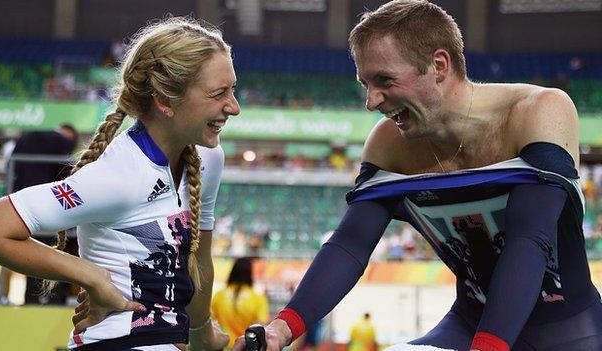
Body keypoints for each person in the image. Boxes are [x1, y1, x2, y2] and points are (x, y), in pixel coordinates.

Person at [231, 1, 602, 351]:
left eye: (384, 80)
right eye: (366, 85)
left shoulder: (540, 110)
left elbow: (529, 240)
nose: (371, 101)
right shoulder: (388, 143)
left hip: (567, 330)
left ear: (439, 66)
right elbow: (350, 245)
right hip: (468, 324)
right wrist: (282, 327)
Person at [0, 16, 240, 350]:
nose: (234, 107)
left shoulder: (208, 159)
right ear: (165, 101)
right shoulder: (119, 176)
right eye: (219, 93)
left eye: (233, 89)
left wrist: (202, 332)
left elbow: (198, 259)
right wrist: (88, 275)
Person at [0, 124, 79, 305]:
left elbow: (13, 172)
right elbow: (66, 177)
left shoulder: (27, 137)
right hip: (53, 212)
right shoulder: (62, 144)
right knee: (59, 264)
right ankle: (55, 301)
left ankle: (30, 301)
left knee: (32, 264)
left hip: (23, 210)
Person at [211, 257, 270, 348]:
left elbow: (211, 322)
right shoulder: (257, 297)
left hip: (224, 347)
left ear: (233, 271)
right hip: (245, 347)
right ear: (250, 273)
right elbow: (261, 324)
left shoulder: (219, 295)